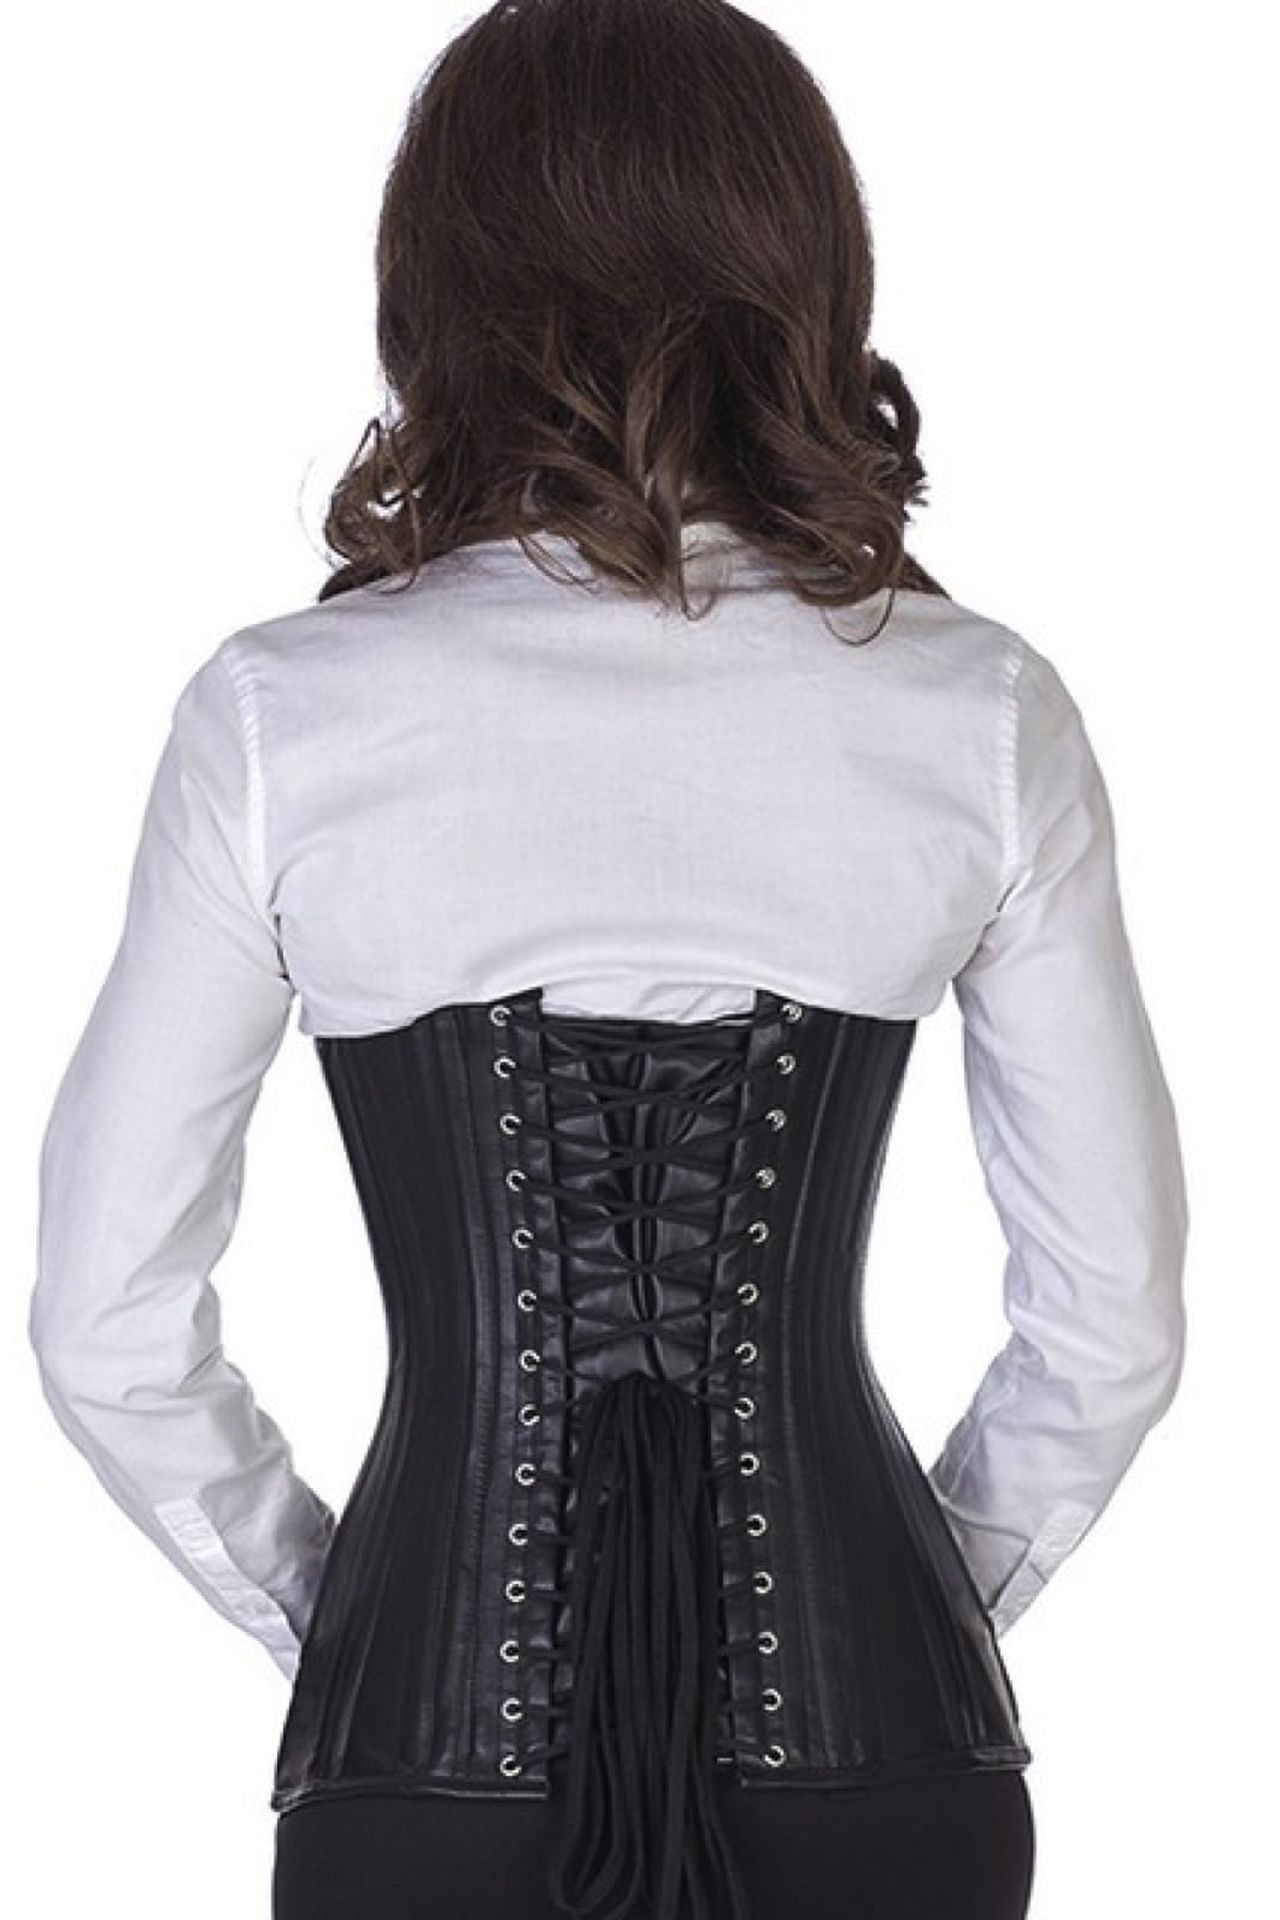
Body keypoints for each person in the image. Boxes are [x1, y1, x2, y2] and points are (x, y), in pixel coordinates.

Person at [29, 3, 1189, 1917]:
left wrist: (350, 1608)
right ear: (806, 271)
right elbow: (1115, 1318)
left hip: (430, 1783)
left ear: (434, 282)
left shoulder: (282, 719)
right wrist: (924, 1604)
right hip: (884, 1773)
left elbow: (105, 1313)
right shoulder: (978, 710)